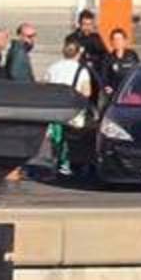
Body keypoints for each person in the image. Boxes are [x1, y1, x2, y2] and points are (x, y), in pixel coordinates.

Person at [45, 37, 93, 177]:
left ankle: (56, 164)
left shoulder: (52, 68)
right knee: (72, 139)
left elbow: (45, 88)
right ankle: (68, 164)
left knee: (57, 138)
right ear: (78, 53)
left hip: (55, 110)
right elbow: (87, 92)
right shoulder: (81, 70)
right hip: (74, 111)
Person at [67, 9, 107, 92]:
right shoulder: (72, 38)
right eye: (85, 24)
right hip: (77, 77)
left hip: (94, 76)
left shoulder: (96, 38)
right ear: (79, 24)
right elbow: (69, 56)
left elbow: (104, 55)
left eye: (90, 24)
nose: (87, 27)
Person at [102, 28, 140, 97]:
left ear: (124, 41)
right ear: (111, 42)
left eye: (119, 39)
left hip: (131, 92)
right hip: (115, 94)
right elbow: (104, 77)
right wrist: (107, 87)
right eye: (115, 40)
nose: (117, 42)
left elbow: (138, 72)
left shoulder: (132, 55)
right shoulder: (108, 58)